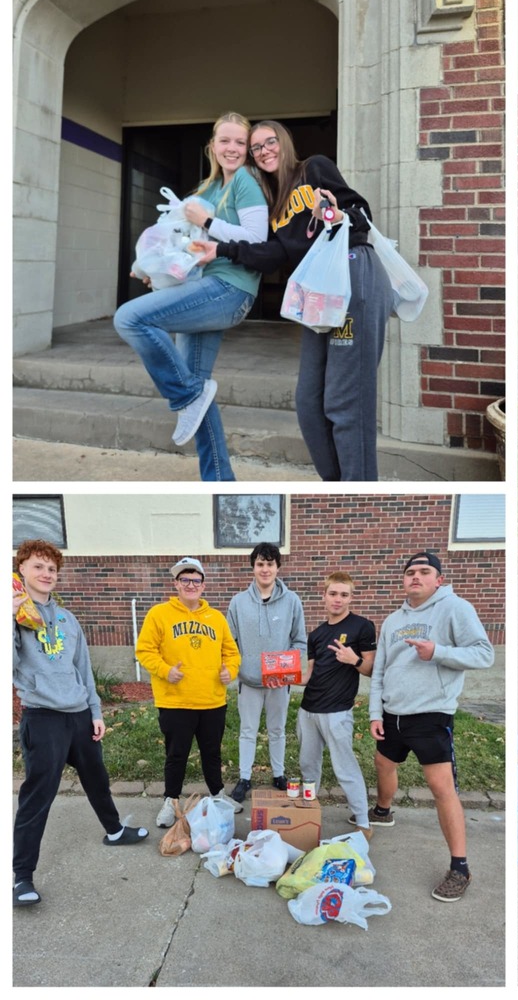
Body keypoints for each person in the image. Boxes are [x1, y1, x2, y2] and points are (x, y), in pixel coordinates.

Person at [195, 120, 392, 481]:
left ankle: (356, 488)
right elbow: (273, 255)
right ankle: (336, 483)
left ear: (284, 142)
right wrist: (220, 250)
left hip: (352, 276)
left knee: (345, 400)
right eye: (256, 148)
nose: (264, 151)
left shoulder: (313, 168)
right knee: (309, 403)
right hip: (317, 294)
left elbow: (360, 214)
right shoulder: (274, 203)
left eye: (270, 142)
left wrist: (332, 213)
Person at [113, 111, 269, 482]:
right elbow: (180, 239)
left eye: (240, 142)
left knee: (129, 318)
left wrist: (207, 221)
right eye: (225, 141)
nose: (232, 149)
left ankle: (184, 394)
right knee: (200, 393)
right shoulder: (207, 188)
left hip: (228, 289)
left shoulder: (245, 181)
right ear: (212, 146)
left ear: (248, 150)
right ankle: (220, 481)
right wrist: (152, 267)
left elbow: (257, 239)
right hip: (202, 287)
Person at [13, 540, 148, 908]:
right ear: (21, 569)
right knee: (38, 794)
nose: (46, 574)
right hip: (43, 717)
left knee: (97, 777)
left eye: (51, 569)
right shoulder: (15, 617)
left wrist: (95, 711)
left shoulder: (67, 619)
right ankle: (21, 876)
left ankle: (114, 831)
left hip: (79, 716)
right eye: (38, 566)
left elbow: (83, 669)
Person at [368, 552, 495, 902]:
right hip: (392, 713)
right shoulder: (393, 620)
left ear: (438, 579)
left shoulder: (455, 608)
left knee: (441, 788)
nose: (416, 577)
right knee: (383, 763)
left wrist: (438, 651)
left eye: (424, 571)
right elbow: (379, 671)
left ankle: (460, 867)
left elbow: (484, 654)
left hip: (430, 714)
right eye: (410, 572)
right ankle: (383, 810)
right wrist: (375, 713)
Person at [135, 558, 243, 827]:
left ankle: (217, 795)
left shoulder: (216, 618)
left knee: (212, 753)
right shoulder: (159, 614)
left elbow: (231, 653)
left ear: (203, 585)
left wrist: (230, 670)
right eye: (185, 579)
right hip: (175, 701)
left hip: (211, 700)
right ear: (176, 584)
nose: (191, 585)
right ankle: (170, 800)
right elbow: (144, 650)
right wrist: (165, 670)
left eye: (196, 580)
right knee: (176, 755)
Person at [226, 543, 307, 802]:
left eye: (270, 564)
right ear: (253, 567)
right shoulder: (238, 602)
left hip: (279, 683)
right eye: (260, 564)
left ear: (277, 567)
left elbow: (300, 641)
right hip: (249, 681)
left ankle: (278, 774)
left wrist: (284, 670)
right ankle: (244, 777)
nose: (265, 569)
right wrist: (236, 668)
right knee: (247, 731)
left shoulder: (292, 601)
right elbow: (229, 643)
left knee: (277, 729)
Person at [298, 572, 376, 835]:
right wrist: (284, 677)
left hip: (338, 711)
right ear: (324, 596)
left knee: (345, 768)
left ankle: (363, 822)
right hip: (308, 710)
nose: (338, 599)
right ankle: (308, 813)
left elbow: (371, 669)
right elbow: (309, 674)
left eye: (344, 594)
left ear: (351, 597)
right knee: (308, 766)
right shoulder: (316, 634)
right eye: (333, 593)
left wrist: (354, 660)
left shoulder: (362, 626)